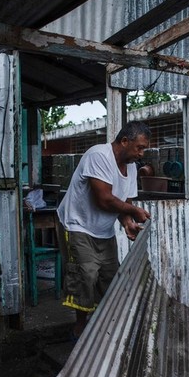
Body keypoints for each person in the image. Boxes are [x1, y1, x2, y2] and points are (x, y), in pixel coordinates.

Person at [56, 121, 152, 337]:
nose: (141, 153)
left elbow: (122, 202)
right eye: (140, 147)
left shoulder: (131, 169)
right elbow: (104, 199)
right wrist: (135, 210)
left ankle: (100, 329)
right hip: (77, 224)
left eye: (144, 148)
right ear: (124, 141)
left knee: (109, 277)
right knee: (86, 274)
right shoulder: (98, 155)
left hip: (103, 230)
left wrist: (127, 222)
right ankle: (80, 330)